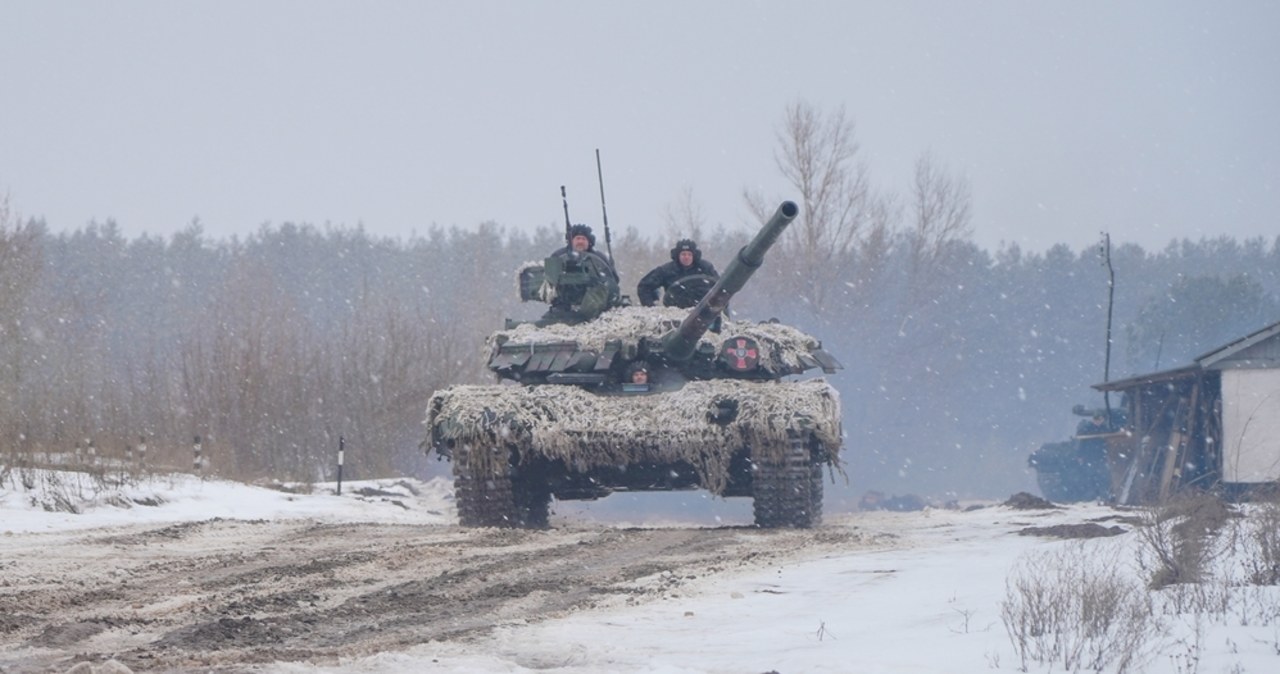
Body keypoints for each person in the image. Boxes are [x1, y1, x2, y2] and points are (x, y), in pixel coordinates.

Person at [539, 224, 620, 324]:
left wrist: (596, 282)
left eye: (583, 239)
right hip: (562, 309)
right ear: (571, 240)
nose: (580, 242)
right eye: (577, 238)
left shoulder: (599, 258)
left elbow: (613, 282)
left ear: (589, 241)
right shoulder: (558, 256)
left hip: (595, 307)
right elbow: (548, 283)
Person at [636, 239, 719, 308]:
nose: (686, 257)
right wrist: (651, 307)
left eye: (689, 254)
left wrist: (716, 306)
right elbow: (644, 286)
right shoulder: (667, 270)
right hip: (674, 313)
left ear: (694, 255)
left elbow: (720, 287)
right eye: (683, 254)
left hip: (704, 313)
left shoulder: (706, 268)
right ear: (678, 255)